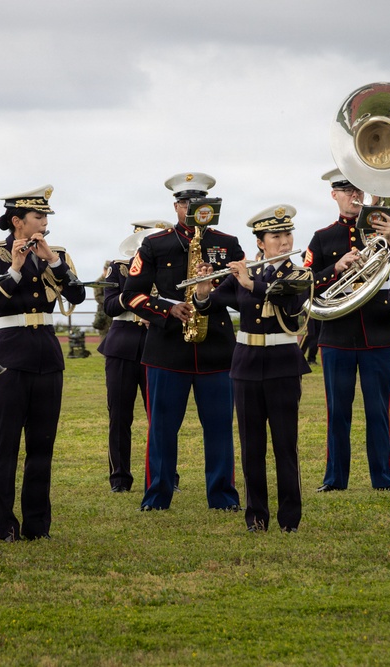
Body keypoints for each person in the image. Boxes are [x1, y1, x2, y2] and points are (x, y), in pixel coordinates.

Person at [122, 172, 242, 512]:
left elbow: (238, 293)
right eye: (185, 203)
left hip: (216, 350)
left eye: (198, 203)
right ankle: (157, 496)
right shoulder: (155, 244)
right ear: (176, 206)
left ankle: (222, 496)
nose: (191, 208)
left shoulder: (228, 243)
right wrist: (168, 308)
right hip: (166, 350)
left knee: (219, 428)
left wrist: (208, 297)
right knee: (161, 429)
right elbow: (131, 296)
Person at [0, 185, 86, 540]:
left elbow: (77, 294)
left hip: (46, 354)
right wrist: (16, 268)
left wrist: (52, 260)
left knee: (42, 446)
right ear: (17, 221)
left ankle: (38, 526)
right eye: (38, 216)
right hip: (9, 355)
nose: (44, 222)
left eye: (45, 217)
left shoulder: (57, 253)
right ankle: (4, 525)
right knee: (5, 445)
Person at [193, 205, 310, 532]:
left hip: (283, 367)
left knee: (285, 447)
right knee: (251, 448)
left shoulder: (298, 273)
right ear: (260, 242)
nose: (285, 242)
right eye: (276, 236)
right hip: (245, 367)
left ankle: (290, 520)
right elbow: (212, 303)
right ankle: (256, 517)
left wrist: (248, 283)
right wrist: (203, 293)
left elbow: (287, 302)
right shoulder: (246, 273)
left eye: (287, 234)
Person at [304, 168, 390, 493]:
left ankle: (384, 480)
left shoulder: (382, 229)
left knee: (379, 410)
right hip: (336, 335)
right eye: (346, 189)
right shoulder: (322, 238)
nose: (353, 194)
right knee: (338, 411)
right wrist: (334, 268)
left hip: (378, 333)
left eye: (357, 188)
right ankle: (335, 480)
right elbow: (305, 283)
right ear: (334, 194)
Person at [97, 222, 170, 493]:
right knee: (119, 415)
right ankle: (119, 478)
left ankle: (165, 476)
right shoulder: (120, 267)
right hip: (122, 343)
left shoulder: (170, 267)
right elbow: (109, 306)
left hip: (158, 342)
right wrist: (134, 296)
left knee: (161, 415)